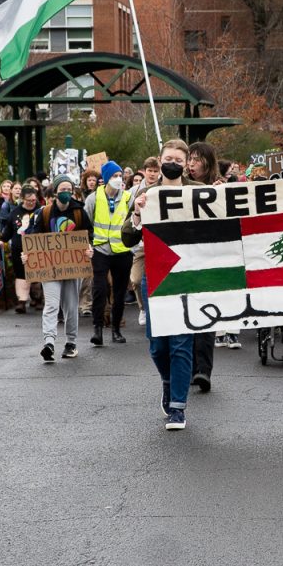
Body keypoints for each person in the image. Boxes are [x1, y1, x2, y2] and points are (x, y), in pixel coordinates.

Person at [130, 139, 200, 430]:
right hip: (156, 275)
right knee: (158, 346)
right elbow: (127, 238)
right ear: (160, 162)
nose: (173, 163)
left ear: (186, 164)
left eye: (179, 159)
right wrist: (137, 211)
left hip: (189, 275)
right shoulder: (147, 193)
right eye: (168, 158)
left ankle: (178, 408)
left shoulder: (200, 192)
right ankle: (168, 381)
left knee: (181, 344)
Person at [27, 175, 93, 362]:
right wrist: (29, 255)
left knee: (71, 306)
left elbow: (89, 235)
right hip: (51, 267)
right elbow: (34, 238)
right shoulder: (45, 213)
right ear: (55, 191)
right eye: (62, 189)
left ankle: (71, 343)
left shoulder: (80, 213)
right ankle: (49, 342)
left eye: (69, 189)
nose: (66, 193)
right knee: (51, 305)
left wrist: (89, 249)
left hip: (74, 267)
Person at [186, 141, 234, 389]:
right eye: (189, 159)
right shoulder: (179, 186)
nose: (191, 164)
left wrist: (222, 195)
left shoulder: (220, 185)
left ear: (208, 161)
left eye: (196, 159)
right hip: (184, 258)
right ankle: (189, 366)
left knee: (206, 315)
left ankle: (203, 370)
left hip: (210, 258)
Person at [83, 161, 133, 346]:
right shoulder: (93, 198)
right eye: (114, 176)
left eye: (120, 176)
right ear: (105, 179)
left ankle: (116, 330)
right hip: (100, 249)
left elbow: (135, 222)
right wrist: (88, 245)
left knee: (119, 293)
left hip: (122, 251)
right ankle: (97, 329)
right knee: (99, 289)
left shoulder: (128, 198)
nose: (118, 179)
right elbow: (85, 224)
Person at [128, 157, 161, 326]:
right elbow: (129, 217)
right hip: (141, 243)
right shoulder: (134, 191)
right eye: (150, 171)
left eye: (156, 171)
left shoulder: (162, 189)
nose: (153, 174)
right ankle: (143, 308)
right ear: (144, 171)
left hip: (159, 242)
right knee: (136, 278)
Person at [1, 186, 40, 313]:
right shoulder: (15, 213)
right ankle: (21, 302)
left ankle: (37, 298)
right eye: (29, 200)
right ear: (22, 199)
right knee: (21, 274)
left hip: (37, 248)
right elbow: (8, 231)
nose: (31, 202)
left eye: (33, 200)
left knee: (36, 274)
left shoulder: (41, 212)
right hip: (18, 248)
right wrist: (1, 241)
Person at [77, 168, 101, 317]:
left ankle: (87, 304)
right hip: (81, 237)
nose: (91, 182)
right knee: (83, 273)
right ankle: (81, 303)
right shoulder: (78, 196)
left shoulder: (100, 197)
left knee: (91, 274)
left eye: (94, 180)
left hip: (95, 237)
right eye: (89, 179)